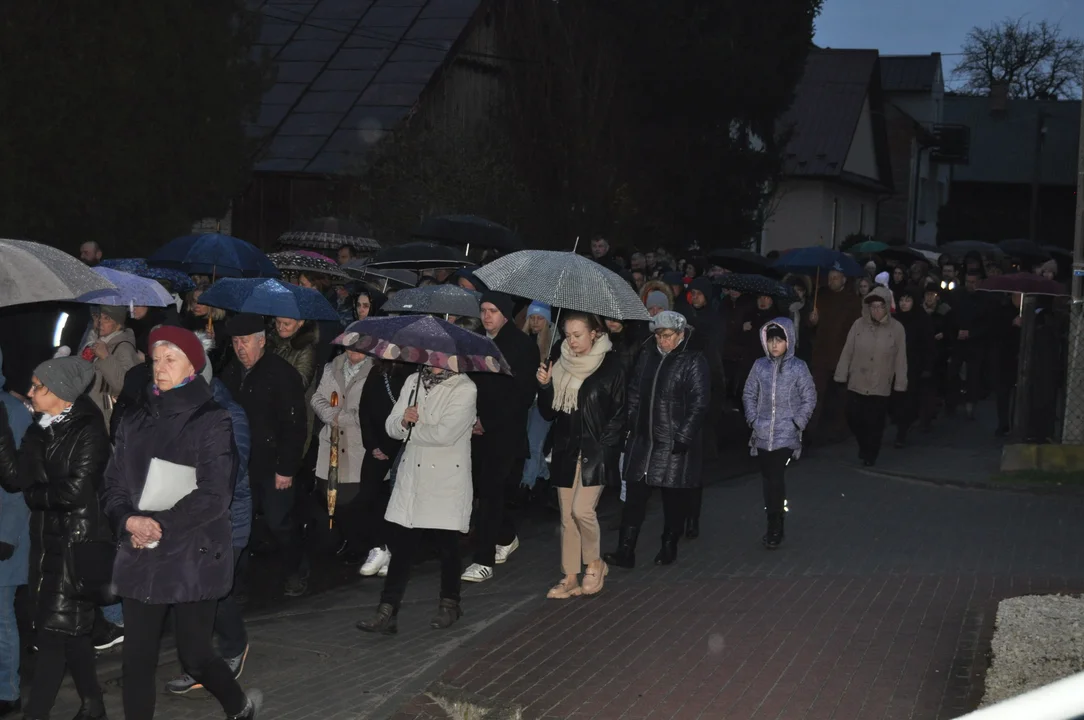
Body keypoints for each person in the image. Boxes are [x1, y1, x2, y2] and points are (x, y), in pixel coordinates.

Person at [102, 326, 260, 720]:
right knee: (137, 659)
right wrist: (128, 519)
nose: (159, 367)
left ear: (194, 366)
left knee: (196, 654)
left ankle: (239, 706)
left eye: (170, 359)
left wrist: (158, 524)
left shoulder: (213, 420)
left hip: (193, 549)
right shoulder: (134, 418)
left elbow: (214, 494)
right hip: (141, 546)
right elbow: (112, 482)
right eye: (155, 359)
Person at [10, 358, 109, 720]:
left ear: (61, 393)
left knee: (53, 633)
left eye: (39, 387)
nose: (31, 392)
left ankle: (35, 714)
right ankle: (94, 704)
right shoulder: (40, 430)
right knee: (71, 630)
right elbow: (22, 481)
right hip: (47, 543)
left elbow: (77, 491)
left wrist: (39, 494)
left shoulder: (88, 428)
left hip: (76, 544)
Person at [356, 364, 477, 634]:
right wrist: (402, 421)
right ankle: (387, 610)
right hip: (413, 475)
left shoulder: (465, 388)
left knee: (448, 545)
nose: (433, 359)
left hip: (446, 478)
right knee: (402, 545)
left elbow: (444, 435)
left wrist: (412, 428)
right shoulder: (413, 381)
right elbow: (391, 425)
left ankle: (450, 604)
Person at [165, 349, 254, 696]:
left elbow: (235, 468)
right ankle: (199, 662)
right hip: (186, 518)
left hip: (228, 520)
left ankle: (230, 648)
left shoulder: (230, 414)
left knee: (210, 591)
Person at [604, 311, 709, 569]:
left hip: (672, 442)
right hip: (643, 440)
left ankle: (669, 545)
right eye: (659, 336)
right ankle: (625, 550)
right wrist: (631, 422)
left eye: (667, 336)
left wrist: (683, 436)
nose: (662, 341)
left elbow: (699, 403)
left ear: (681, 334)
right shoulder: (647, 356)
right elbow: (635, 392)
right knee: (634, 498)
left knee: (673, 498)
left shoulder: (693, 360)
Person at [536, 313, 626, 599]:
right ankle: (570, 576)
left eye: (578, 334)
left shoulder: (611, 365)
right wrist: (546, 385)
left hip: (595, 450)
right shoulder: (559, 363)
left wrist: (604, 444)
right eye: (568, 334)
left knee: (581, 510)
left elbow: (622, 411)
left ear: (594, 334)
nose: (572, 341)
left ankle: (595, 563)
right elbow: (548, 413)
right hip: (565, 448)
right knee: (566, 516)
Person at [220, 313, 309, 597]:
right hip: (241, 463)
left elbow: (295, 424)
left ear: (261, 341)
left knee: (278, 522)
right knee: (238, 523)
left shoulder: (282, 374)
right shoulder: (231, 372)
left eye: (244, 341)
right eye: (235, 341)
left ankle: (296, 570)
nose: (239, 347)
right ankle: (236, 578)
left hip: (273, 464)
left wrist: (286, 467)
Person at [460, 293, 538, 583]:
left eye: (492, 310)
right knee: (483, 490)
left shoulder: (522, 346)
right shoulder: (476, 340)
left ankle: (483, 560)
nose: (486, 316)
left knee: (491, 493)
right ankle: (506, 535)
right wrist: (469, 417)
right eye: (483, 310)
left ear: (505, 313)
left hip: (504, 433)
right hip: (473, 427)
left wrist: (487, 421)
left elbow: (522, 395)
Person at [742, 318, 816, 549]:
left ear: (789, 341)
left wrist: (797, 423)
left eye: (779, 340)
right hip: (763, 433)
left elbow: (809, 396)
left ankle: (775, 525)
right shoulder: (759, 366)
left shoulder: (798, 367)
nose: (775, 345)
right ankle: (774, 518)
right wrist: (753, 419)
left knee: (775, 478)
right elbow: (748, 393)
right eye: (771, 340)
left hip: (786, 433)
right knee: (768, 479)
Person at [834, 287, 908, 466]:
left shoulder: (896, 329)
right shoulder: (858, 325)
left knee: (874, 423)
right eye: (872, 306)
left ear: (886, 307)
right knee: (853, 416)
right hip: (857, 380)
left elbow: (900, 358)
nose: (876, 310)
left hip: (880, 383)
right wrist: (841, 374)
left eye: (880, 306)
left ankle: (870, 453)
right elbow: (847, 350)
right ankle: (863, 444)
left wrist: (900, 384)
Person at [311, 342, 373, 549]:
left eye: (358, 345)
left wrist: (342, 417)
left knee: (353, 501)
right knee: (327, 495)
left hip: (358, 446)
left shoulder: (375, 371)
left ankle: (359, 544)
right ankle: (341, 539)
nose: (353, 350)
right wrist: (332, 415)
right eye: (349, 345)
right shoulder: (332, 367)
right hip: (332, 443)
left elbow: (371, 410)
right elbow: (317, 397)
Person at [350, 359, 409, 573]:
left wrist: (386, 446)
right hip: (377, 444)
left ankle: (392, 550)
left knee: (397, 497)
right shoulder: (377, 371)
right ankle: (379, 547)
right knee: (368, 495)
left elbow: (407, 414)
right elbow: (365, 409)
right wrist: (373, 444)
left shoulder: (411, 372)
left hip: (403, 443)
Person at [0, 350, 30, 718]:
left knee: (1, 615)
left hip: (6, 532)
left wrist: (7, 535)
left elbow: (21, 481)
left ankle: (7, 689)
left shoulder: (12, 411)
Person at [891, 287, 935, 447]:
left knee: (907, 399)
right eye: (901, 300)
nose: (904, 304)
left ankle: (901, 432)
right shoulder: (894, 319)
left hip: (913, 364)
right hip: (894, 364)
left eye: (907, 300)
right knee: (896, 398)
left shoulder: (922, 319)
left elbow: (928, 344)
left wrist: (927, 367)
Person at [83, 305, 140, 425]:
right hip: (86, 412)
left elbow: (126, 386)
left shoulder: (124, 348)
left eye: (107, 318)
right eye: (98, 317)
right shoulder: (90, 342)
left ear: (118, 324)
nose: (100, 322)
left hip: (104, 417)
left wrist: (105, 357)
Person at [520, 303, 554, 498]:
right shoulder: (523, 341)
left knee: (534, 442)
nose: (535, 322)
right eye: (532, 317)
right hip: (526, 399)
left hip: (543, 402)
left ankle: (527, 485)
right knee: (530, 444)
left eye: (540, 318)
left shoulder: (554, 345)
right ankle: (545, 477)